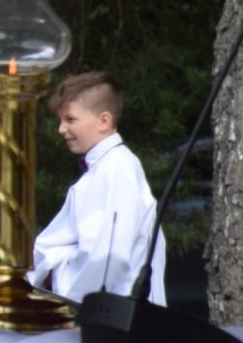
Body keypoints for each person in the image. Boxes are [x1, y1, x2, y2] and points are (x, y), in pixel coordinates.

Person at [31, 71, 167, 303]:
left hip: (108, 314)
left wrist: (67, 303)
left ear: (104, 121)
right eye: (61, 120)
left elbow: (106, 256)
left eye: (70, 119)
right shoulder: (106, 168)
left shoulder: (116, 170)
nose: (61, 129)